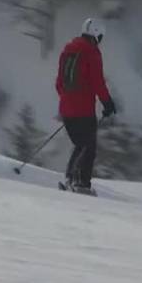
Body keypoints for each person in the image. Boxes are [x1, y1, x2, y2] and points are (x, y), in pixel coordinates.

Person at [55, 17, 116, 195]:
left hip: (66, 109)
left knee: (81, 144)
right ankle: (80, 183)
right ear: (96, 34)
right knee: (88, 146)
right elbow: (97, 82)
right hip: (83, 110)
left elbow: (59, 83)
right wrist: (108, 103)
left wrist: (68, 100)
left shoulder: (67, 51)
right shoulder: (91, 52)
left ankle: (71, 179)